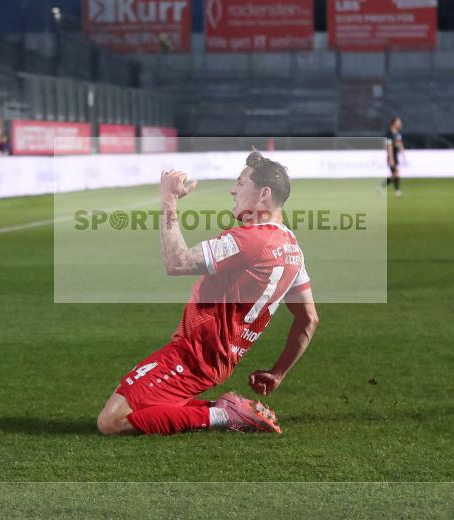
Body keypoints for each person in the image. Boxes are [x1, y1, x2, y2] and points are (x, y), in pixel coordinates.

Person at [96, 151, 320, 435]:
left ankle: (225, 415)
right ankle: (228, 409)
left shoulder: (249, 240)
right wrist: (277, 373)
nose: (233, 190)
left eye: (241, 183)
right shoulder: (292, 248)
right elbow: (309, 319)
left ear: (264, 193)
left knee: (112, 421)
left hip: (193, 355)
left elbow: (177, 262)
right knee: (141, 405)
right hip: (219, 359)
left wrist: (169, 200)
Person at [385, 116, 405, 197]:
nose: (400, 124)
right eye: (398, 122)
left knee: (394, 174)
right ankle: (397, 192)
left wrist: (403, 152)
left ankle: (381, 187)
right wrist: (391, 159)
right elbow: (389, 147)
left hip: (395, 156)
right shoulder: (389, 134)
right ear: (394, 123)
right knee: (396, 173)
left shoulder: (397, 133)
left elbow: (399, 143)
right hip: (391, 156)